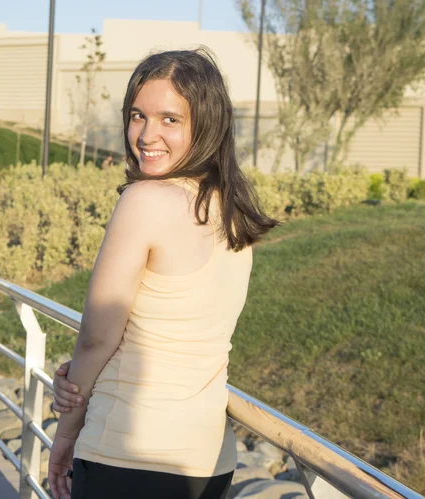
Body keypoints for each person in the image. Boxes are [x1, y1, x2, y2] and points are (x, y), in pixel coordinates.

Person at [47, 47, 279, 499]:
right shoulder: (231, 213)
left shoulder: (145, 200)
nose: (147, 134)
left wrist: (66, 433)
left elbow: (98, 336)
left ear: (205, 125)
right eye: (138, 116)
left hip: (128, 452)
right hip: (206, 461)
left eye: (170, 119)